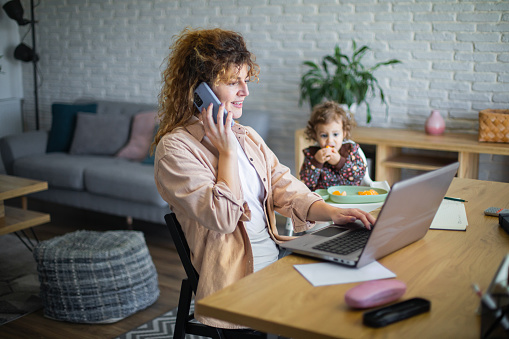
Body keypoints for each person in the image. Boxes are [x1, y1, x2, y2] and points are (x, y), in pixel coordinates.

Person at [153, 27, 375, 330]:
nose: (246, 91)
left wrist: (333, 212)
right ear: (198, 92)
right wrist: (227, 153)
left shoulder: (246, 136)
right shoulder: (175, 149)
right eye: (234, 82)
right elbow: (223, 218)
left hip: (277, 262)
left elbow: (286, 186)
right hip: (237, 287)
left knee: (358, 289)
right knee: (336, 318)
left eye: (246, 80)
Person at [299, 101, 367, 191]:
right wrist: (316, 162)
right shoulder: (312, 154)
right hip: (322, 201)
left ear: (344, 133)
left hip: (347, 198)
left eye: (335, 134)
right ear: (315, 136)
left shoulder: (351, 150)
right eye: (324, 135)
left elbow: (359, 176)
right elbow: (305, 183)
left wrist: (339, 162)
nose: (330, 141)